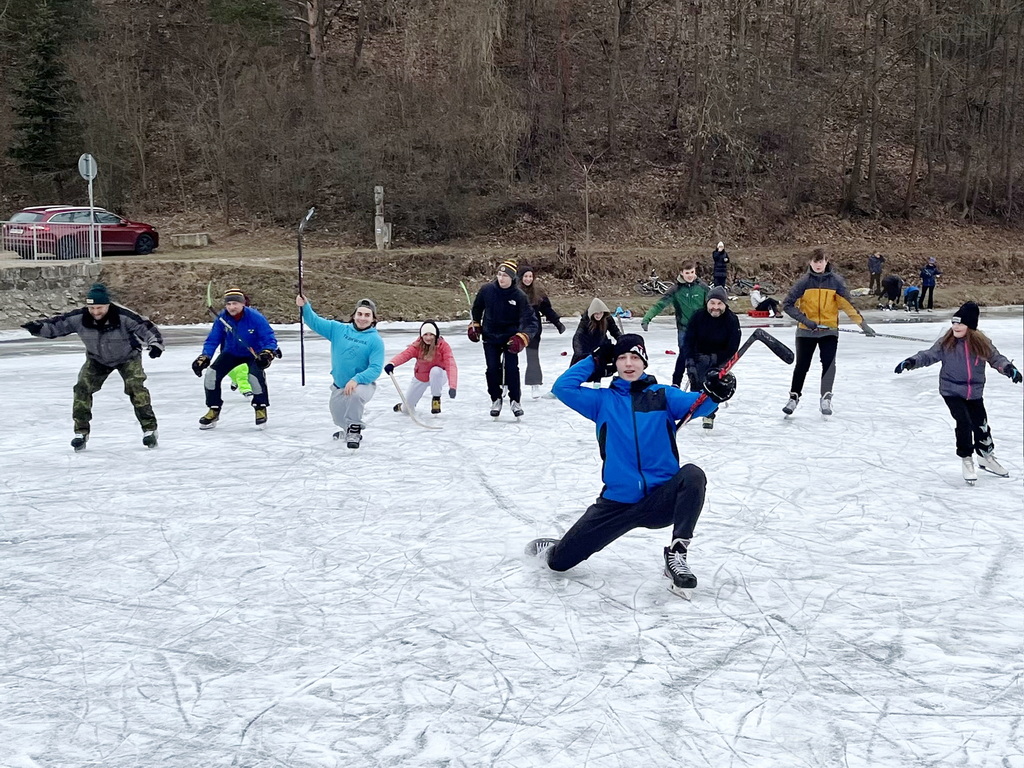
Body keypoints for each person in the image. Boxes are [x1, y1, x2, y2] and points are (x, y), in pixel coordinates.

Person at [524, 333, 736, 597]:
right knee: (558, 563)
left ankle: (677, 554)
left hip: (660, 500)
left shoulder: (663, 396)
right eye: (621, 358)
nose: (628, 363)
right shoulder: (602, 401)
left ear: (644, 362)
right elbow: (562, 388)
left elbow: (701, 404)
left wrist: (717, 391)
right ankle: (561, 546)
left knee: (693, 475)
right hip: (617, 503)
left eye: (634, 357)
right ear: (614, 364)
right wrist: (594, 361)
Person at [21, 282, 163, 450]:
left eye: (99, 308)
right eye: (92, 308)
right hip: (97, 360)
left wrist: (155, 345)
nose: (95, 312)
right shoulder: (80, 318)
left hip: (127, 358)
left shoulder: (123, 316)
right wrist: (38, 328)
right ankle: (81, 433)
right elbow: (57, 325)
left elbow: (146, 328)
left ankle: (149, 429)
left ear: (108, 305)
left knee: (135, 388)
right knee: (82, 388)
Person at [894, 301, 1021, 483]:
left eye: (960, 323)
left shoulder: (982, 343)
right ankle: (966, 458)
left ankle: (985, 456)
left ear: (970, 325)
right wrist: (911, 362)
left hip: (974, 391)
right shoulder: (946, 342)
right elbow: (929, 355)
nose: (955, 326)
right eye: (953, 322)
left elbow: (996, 358)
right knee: (964, 422)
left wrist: (1009, 368)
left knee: (981, 425)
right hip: (951, 390)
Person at [781, 248, 876, 416]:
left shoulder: (836, 282)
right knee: (802, 365)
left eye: (821, 261)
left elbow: (848, 306)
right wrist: (806, 321)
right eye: (815, 261)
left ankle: (826, 397)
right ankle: (794, 397)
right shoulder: (803, 283)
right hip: (806, 331)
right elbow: (787, 305)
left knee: (829, 364)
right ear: (810, 262)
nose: (818, 265)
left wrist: (863, 325)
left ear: (826, 262)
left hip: (829, 331)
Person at [297, 294, 384, 447]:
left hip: (363, 385)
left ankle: (354, 430)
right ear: (354, 315)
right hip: (340, 385)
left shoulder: (375, 340)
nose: (362, 318)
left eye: (367, 315)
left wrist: (356, 380)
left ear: (373, 319)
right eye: (360, 314)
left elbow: (375, 369)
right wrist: (305, 306)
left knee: (355, 395)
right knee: (338, 418)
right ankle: (347, 430)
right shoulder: (338, 329)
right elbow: (314, 322)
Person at [193, 288, 278, 430]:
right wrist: (205, 356)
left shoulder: (255, 317)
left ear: (243, 303)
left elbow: (268, 337)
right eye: (228, 304)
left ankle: (260, 407)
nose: (231, 307)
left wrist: (267, 352)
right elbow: (213, 339)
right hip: (231, 352)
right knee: (211, 375)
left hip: (253, 353)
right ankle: (214, 409)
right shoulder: (222, 318)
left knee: (254, 377)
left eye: (235, 304)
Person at [468, 260, 539, 418]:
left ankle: (515, 401)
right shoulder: (487, 290)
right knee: (492, 369)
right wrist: (475, 326)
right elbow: (476, 309)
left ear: (512, 278)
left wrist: (522, 338)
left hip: (510, 338)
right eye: (499, 274)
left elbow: (531, 322)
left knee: (512, 369)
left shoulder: (519, 296)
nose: (501, 278)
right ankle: (496, 399)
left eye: (505, 276)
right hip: (490, 337)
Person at [640, 261, 708, 388]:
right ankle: (676, 382)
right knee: (684, 354)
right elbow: (660, 304)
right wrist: (647, 318)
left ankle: (699, 383)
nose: (690, 275)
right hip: (684, 328)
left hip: (700, 329)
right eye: (687, 273)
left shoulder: (702, 287)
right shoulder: (675, 290)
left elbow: (712, 304)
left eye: (692, 272)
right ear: (681, 273)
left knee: (700, 356)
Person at [681, 287, 741, 429]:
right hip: (698, 356)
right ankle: (693, 409)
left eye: (719, 304)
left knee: (713, 385)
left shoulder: (731, 320)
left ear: (725, 304)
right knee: (697, 384)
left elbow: (733, 346)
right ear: (707, 303)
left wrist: (716, 359)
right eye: (712, 303)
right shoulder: (698, 316)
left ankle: (710, 414)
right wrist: (689, 360)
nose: (715, 307)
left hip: (719, 359)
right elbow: (688, 340)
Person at [385, 321, 458, 415]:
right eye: (425, 334)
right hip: (421, 377)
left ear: (436, 335)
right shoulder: (417, 346)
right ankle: (402, 407)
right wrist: (392, 363)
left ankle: (436, 399)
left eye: (431, 334)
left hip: (439, 376)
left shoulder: (443, 346)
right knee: (407, 410)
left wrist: (452, 387)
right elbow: (405, 355)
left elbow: (451, 365)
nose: (428, 338)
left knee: (435, 371)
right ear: (421, 335)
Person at [517, 265, 566, 399]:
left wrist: (558, 323)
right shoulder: (513, 291)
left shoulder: (538, 292)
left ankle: (535, 384)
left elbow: (547, 310)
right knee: (510, 357)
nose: (528, 279)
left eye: (530, 276)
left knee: (533, 356)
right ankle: (505, 384)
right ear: (520, 277)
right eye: (525, 276)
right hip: (516, 328)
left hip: (533, 329)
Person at [571, 298, 622, 384]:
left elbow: (615, 331)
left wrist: (623, 341)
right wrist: (579, 352)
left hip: (600, 346)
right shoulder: (586, 319)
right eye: (596, 313)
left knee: (599, 370)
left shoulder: (607, 318)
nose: (598, 315)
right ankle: (571, 385)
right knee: (576, 370)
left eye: (600, 313)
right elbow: (578, 335)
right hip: (586, 346)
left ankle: (597, 386)